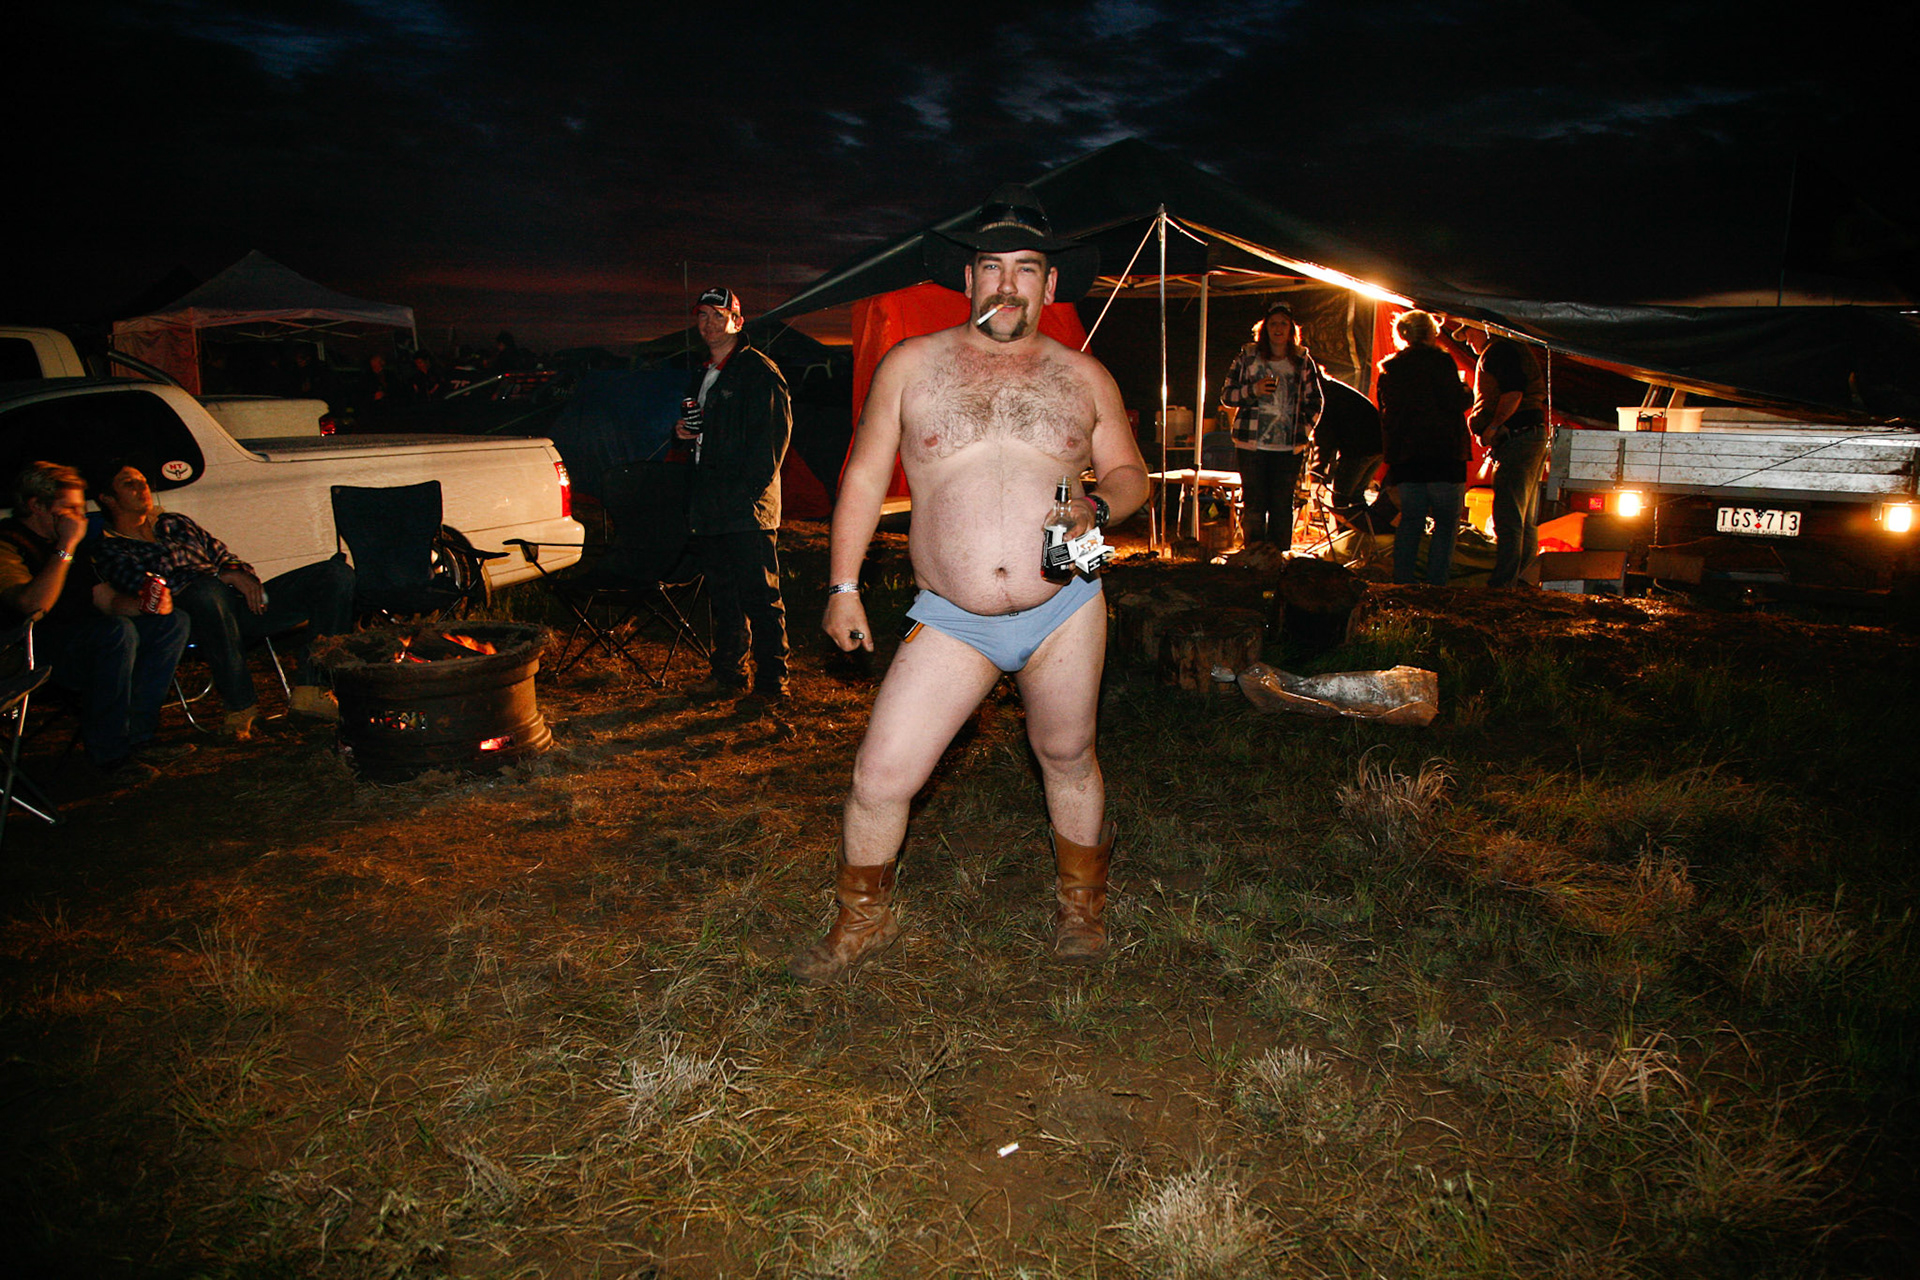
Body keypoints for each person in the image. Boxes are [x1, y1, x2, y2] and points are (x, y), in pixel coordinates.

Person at [791, 183, 1150, 986]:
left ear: (1050, 285)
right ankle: (862, 922)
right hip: (953, 615)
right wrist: (842, 586)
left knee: (1067, 753)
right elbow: (861, 479)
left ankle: (1082, 912)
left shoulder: (1085, 375)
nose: (1007, 285)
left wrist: (1097, 506)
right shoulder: (911, 365)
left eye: (1027, 269)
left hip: (1065, 601)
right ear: (969, 278)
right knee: (881, 774)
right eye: (992, 267)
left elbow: (1132, 476)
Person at [90, 461, 355, 740]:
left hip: (238, 604)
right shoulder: (111, 548)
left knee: (334, 574)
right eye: (129, 484)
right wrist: (219, 576)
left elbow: (226, 558)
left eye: (143, 481)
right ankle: (240, 707)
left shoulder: (174, 523)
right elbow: (152, 589)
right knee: (206, 592)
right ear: (107, 498)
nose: (142, 488)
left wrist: (237, 573)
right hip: (194, 621)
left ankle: (313, 691)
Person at [0, 462, 191, 773]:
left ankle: (139, 736)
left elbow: (108, 601)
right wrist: (65, 547)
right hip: (29, 651)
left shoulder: (69, 544)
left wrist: (147, 605)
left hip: (87, 637)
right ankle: (110, 755)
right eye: (70, 509)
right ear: (36, 505)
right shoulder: (9, 544)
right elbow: (33, 606)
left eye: (81, 509)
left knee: (170, 624)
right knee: (115, 633)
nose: (79, 518)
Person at [676, 286, 794, 704]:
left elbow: (772, 443)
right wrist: (683, 433)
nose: (708, 323)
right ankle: (728, 674)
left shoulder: (758, 371)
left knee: (760, 597)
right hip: (709, 503)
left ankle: (772, 684)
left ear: (737, 322)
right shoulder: (706, 372)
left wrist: (745, 497)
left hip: (747, 508)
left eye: (718, 315)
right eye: (702, 315)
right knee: (723, 595)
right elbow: (708, 434)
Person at [1219, 300, 1325, 548]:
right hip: (1252, 445)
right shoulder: (1248, 357)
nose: (1278, 329)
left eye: (1283, 324)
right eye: (1273, 324)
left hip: (1288, 447)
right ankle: (1254, 555)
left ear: (1291, 329)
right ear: (1265, 328)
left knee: (1282, 506)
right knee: (1254, 505)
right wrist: (1253, 390)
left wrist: (1304, 432)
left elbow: (1316, 400)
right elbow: (1227, 395)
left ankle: (1279, 557)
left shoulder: (1302, 360)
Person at [1378, 311, 1473, 585]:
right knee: (1446, 524)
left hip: (1407, 459)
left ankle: (1403, 583)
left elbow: (1387, 416)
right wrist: (1467, 391)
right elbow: (1454, 401)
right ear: (1431, 332)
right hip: (1444, 456)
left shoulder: (1390, 369)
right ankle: (1436, 587)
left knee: (1410, 522)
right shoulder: (1442, 362)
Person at [1456, 323, 1550, 587]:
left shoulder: (1498, 351)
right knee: (1524, 517)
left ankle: (1503, 583)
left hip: (1517, 437)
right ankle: (1520, 578)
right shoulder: (1514, 349)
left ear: (1482, 329)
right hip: (1528, 436)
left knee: (1509, 516)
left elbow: (1513, 393)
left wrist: (1494, 426)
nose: (1467, 342)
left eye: (1468, 333)